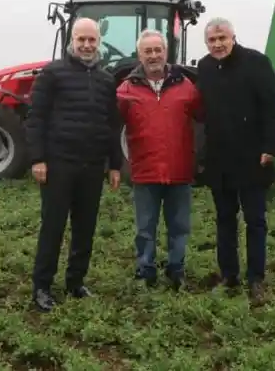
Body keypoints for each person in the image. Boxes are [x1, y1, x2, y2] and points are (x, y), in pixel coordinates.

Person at [25, 17, 123, 312]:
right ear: (72, 40)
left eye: (92, 40)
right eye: (81, 39)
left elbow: (111, 124)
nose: (86, 45)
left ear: (98, 42)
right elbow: (36, 117)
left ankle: (75, 281)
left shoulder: (107, 80)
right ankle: (42, 286)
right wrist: (38, 158)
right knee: (53, 226)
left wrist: (114, 164)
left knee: (85, 227)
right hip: (58, 164)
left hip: (91, 166)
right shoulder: (53, 74)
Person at [195, 17, 275, 303]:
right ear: (207, 43)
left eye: (223, 38)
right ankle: (229, 275)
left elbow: (274, 108)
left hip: (253, 158)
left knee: (255, 220)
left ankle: (256, 279)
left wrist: (270, 147)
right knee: (224, 219)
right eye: (212, 40)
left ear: (233, 37)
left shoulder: (256, 63)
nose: (218, 44)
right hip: (220, 159)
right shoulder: (205, 68)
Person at [117, 29, 201, 290]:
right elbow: (108, 126)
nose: (153, 55)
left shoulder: (187, 86)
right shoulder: (125, 90)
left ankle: (176, 270)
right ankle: (146, 270)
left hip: (179, 170)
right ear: (139, 55)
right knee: (145, 228)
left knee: (179, 227)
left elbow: (205, 119)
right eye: (148, 51)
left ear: (166, 52)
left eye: (158, 50)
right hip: (145, 171)